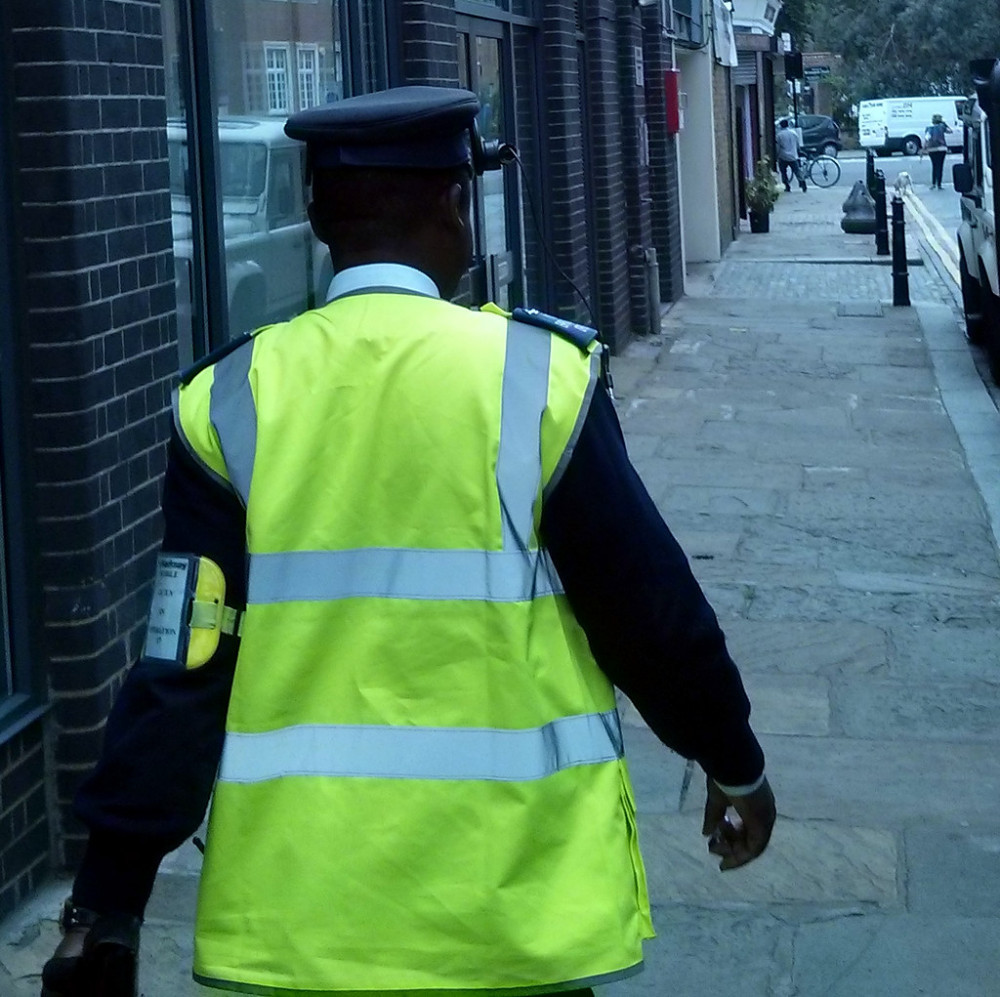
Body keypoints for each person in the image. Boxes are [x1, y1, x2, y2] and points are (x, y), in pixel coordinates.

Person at [41, 86, 775, 997]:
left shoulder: (231, 401)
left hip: (306, 921)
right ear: (453, 206)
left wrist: (106, 902)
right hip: (512, 913)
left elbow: (180, 666)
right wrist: (732, 760)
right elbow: (649, 612)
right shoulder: (536, 380)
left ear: (316, 221)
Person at [776, 118, 808, 193]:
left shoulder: (779, 135)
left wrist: (777, 155)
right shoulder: (794, 133)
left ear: (781, 126)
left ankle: (787, 186)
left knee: (784, 172)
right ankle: (803, 183)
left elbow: (778, 147)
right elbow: (797, 146)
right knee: (797, 171)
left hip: (783, 156)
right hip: (793, 156)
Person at [923, 113, 953, 189]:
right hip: (942, 149)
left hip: (932, 150)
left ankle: (933, 183)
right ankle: (939, 184)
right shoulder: (942, 127)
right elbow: (950, 131)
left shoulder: (929, 128)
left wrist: (924, 148)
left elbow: (927, 138)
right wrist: (945, 124)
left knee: (934, 166)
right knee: (940, 166)